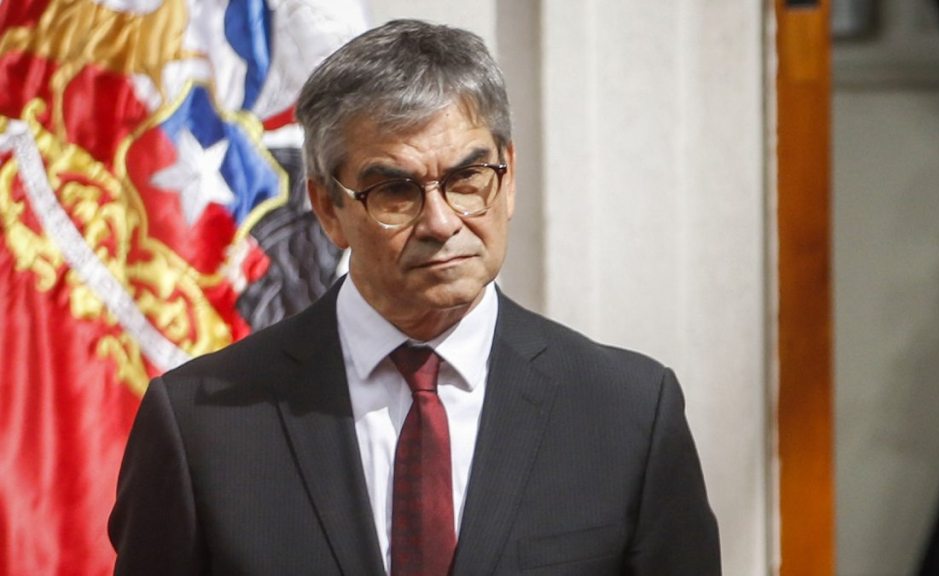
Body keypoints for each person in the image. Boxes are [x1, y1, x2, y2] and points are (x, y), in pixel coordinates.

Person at [108, 19, 720, 576]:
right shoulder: (203, 425)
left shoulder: (629, 414)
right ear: (328, 208)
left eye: (467, 179)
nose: (441, 222)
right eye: (396, 192)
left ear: (508, 176)